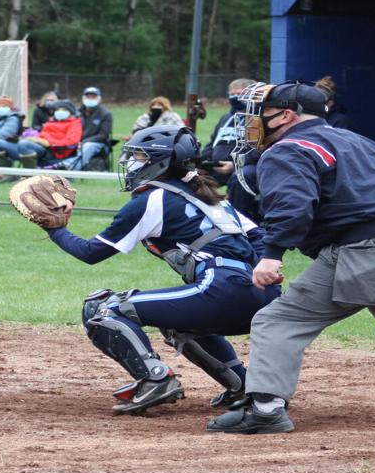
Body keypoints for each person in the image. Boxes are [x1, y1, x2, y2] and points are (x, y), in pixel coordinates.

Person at [207, 82, 375, 435]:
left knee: (277, 321)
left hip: (373, 248)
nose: (253, 122)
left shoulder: (287, 149)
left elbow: (292, 208)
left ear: (286, 115)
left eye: (262, 113)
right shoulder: (359, 141)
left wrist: (272, 255)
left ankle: (266, 409)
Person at [37, 125, 281, 414]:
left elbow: (91, 253)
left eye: (139, 156)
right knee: (176, 321)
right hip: (264, 295)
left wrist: (54, 229)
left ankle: (155, 379)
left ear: (162, 162)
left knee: (103, 309)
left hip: (222, 288)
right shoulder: (212, 197)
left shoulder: (152, 199)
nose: (131, 163)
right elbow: (259, 238)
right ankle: (242, 385)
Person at [65, 85, 114, 171]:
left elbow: (103, 135)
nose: (90, 99)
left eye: (93, 97)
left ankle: (71, 172)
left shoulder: (105, 114)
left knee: (87, 146)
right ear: (83, 98)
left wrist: (84, 142)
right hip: (76, 141)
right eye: (88, 96)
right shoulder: (77, 113)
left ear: (99, 99)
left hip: (96, 143)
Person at [30, 100, 83, 169]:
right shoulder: (49, 123)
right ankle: (29, 172)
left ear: (70, 112)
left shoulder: (75, 124)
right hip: (46, 150)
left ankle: (30, 172)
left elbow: (72, 141)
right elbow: (43, 135)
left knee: (25, 145)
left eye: (64, 110)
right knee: (25, 144)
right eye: (58, 109)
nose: (60, 111)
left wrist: (50, 142)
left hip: (61, 154)